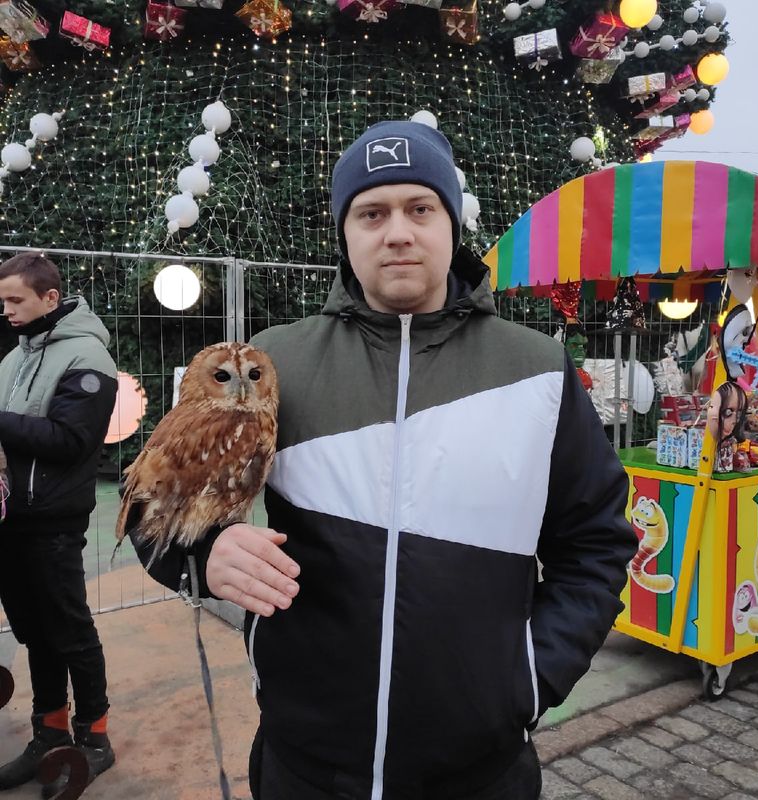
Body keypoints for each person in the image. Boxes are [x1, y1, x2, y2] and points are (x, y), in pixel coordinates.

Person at [134, 120, 637, 799]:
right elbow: (150, 505)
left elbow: (596, 543)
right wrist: (205, 555)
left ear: (451, 224)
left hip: (480, 772)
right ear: (345, 232)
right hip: (306, 764)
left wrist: (530, 674)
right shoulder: (276, 362)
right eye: (371, 212)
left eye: (419, 208)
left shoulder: (537, 369)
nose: (396, 232)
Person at [0, 253, 118, 797]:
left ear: (50, 299)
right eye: (2, 301)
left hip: (54, 522)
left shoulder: (88, 357)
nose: (6, 311)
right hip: (10, 518)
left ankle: (94, 737)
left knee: (69, 630)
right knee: (33, 631)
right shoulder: (14, 357)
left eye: (15, 301)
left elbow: (72, 441)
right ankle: (48, 732)